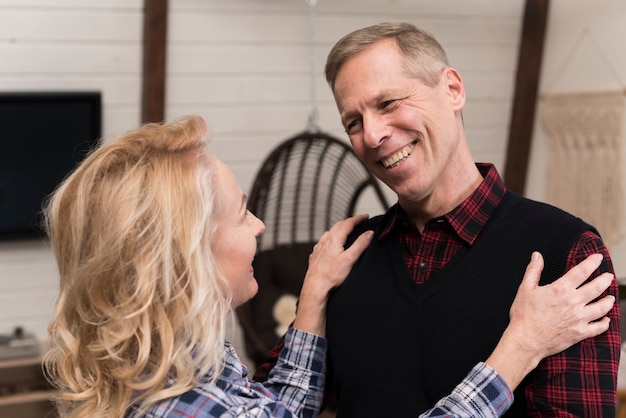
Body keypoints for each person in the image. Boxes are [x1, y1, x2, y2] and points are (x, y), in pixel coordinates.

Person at [41, 114, 614, 418]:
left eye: (389, 105)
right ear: (189, 253)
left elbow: (278, 413)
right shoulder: (188, 408)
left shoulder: (183, 365)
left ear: (453, 90)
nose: (260, 227)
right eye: (242, 214)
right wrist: (518, 350)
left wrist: (313, 297)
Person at [256, 22, 621, 417]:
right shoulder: (344, 259)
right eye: (354, 123)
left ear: (453, 90)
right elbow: (272, 406)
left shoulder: (566, 252)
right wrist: (313, 295)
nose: (373, 134)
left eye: (388, 103)